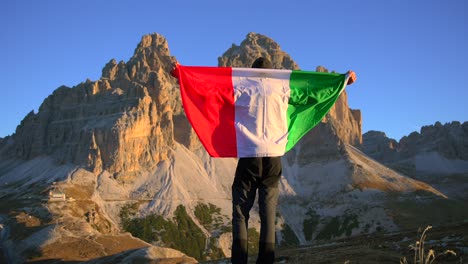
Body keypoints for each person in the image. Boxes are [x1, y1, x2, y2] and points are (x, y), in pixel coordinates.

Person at [231, 57, 281, 264]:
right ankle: (266, 260)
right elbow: (312, 94)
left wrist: (181, 76)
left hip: (250, 157)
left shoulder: (242, 87)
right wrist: (342, 83)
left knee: (240, 212)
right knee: (268, 213)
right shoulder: (282, 88)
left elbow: (210, 92)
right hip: (273, 159)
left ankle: (240, 260)